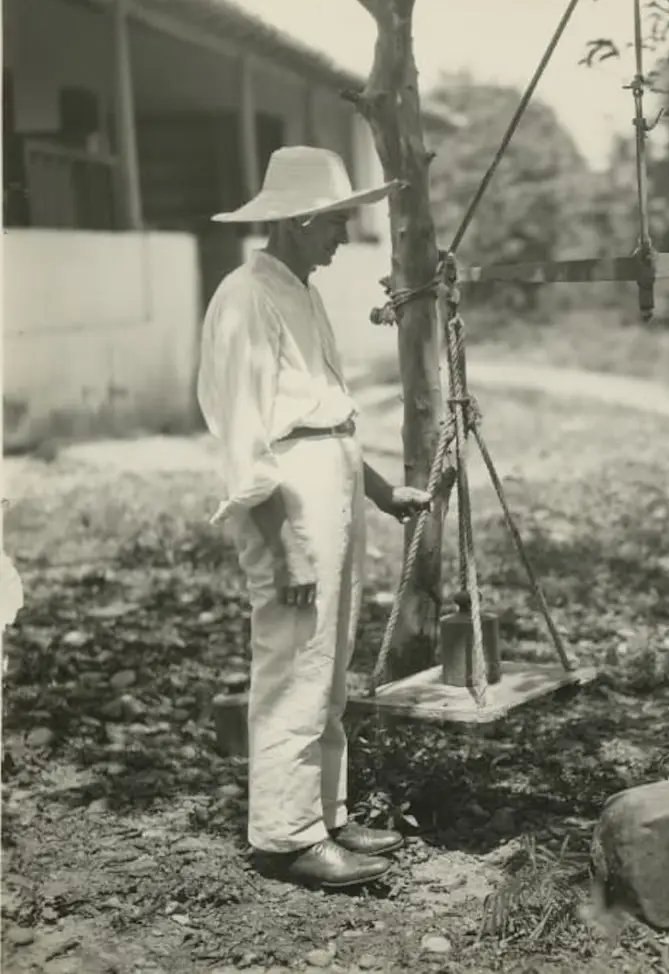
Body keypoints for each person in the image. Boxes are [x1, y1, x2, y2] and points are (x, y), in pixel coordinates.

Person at [197, 146, 432, 889]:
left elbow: (326, 421)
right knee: (294, 660)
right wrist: (285, 545)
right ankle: (284, 837)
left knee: (329, 661)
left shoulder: (300, 289)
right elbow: (249, 438)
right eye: (335, 223)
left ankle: (324, 814)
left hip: (328, 479)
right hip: (286, 500)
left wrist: (381, 493)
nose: (342, 238)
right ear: (300, 220)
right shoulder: (244, 297)